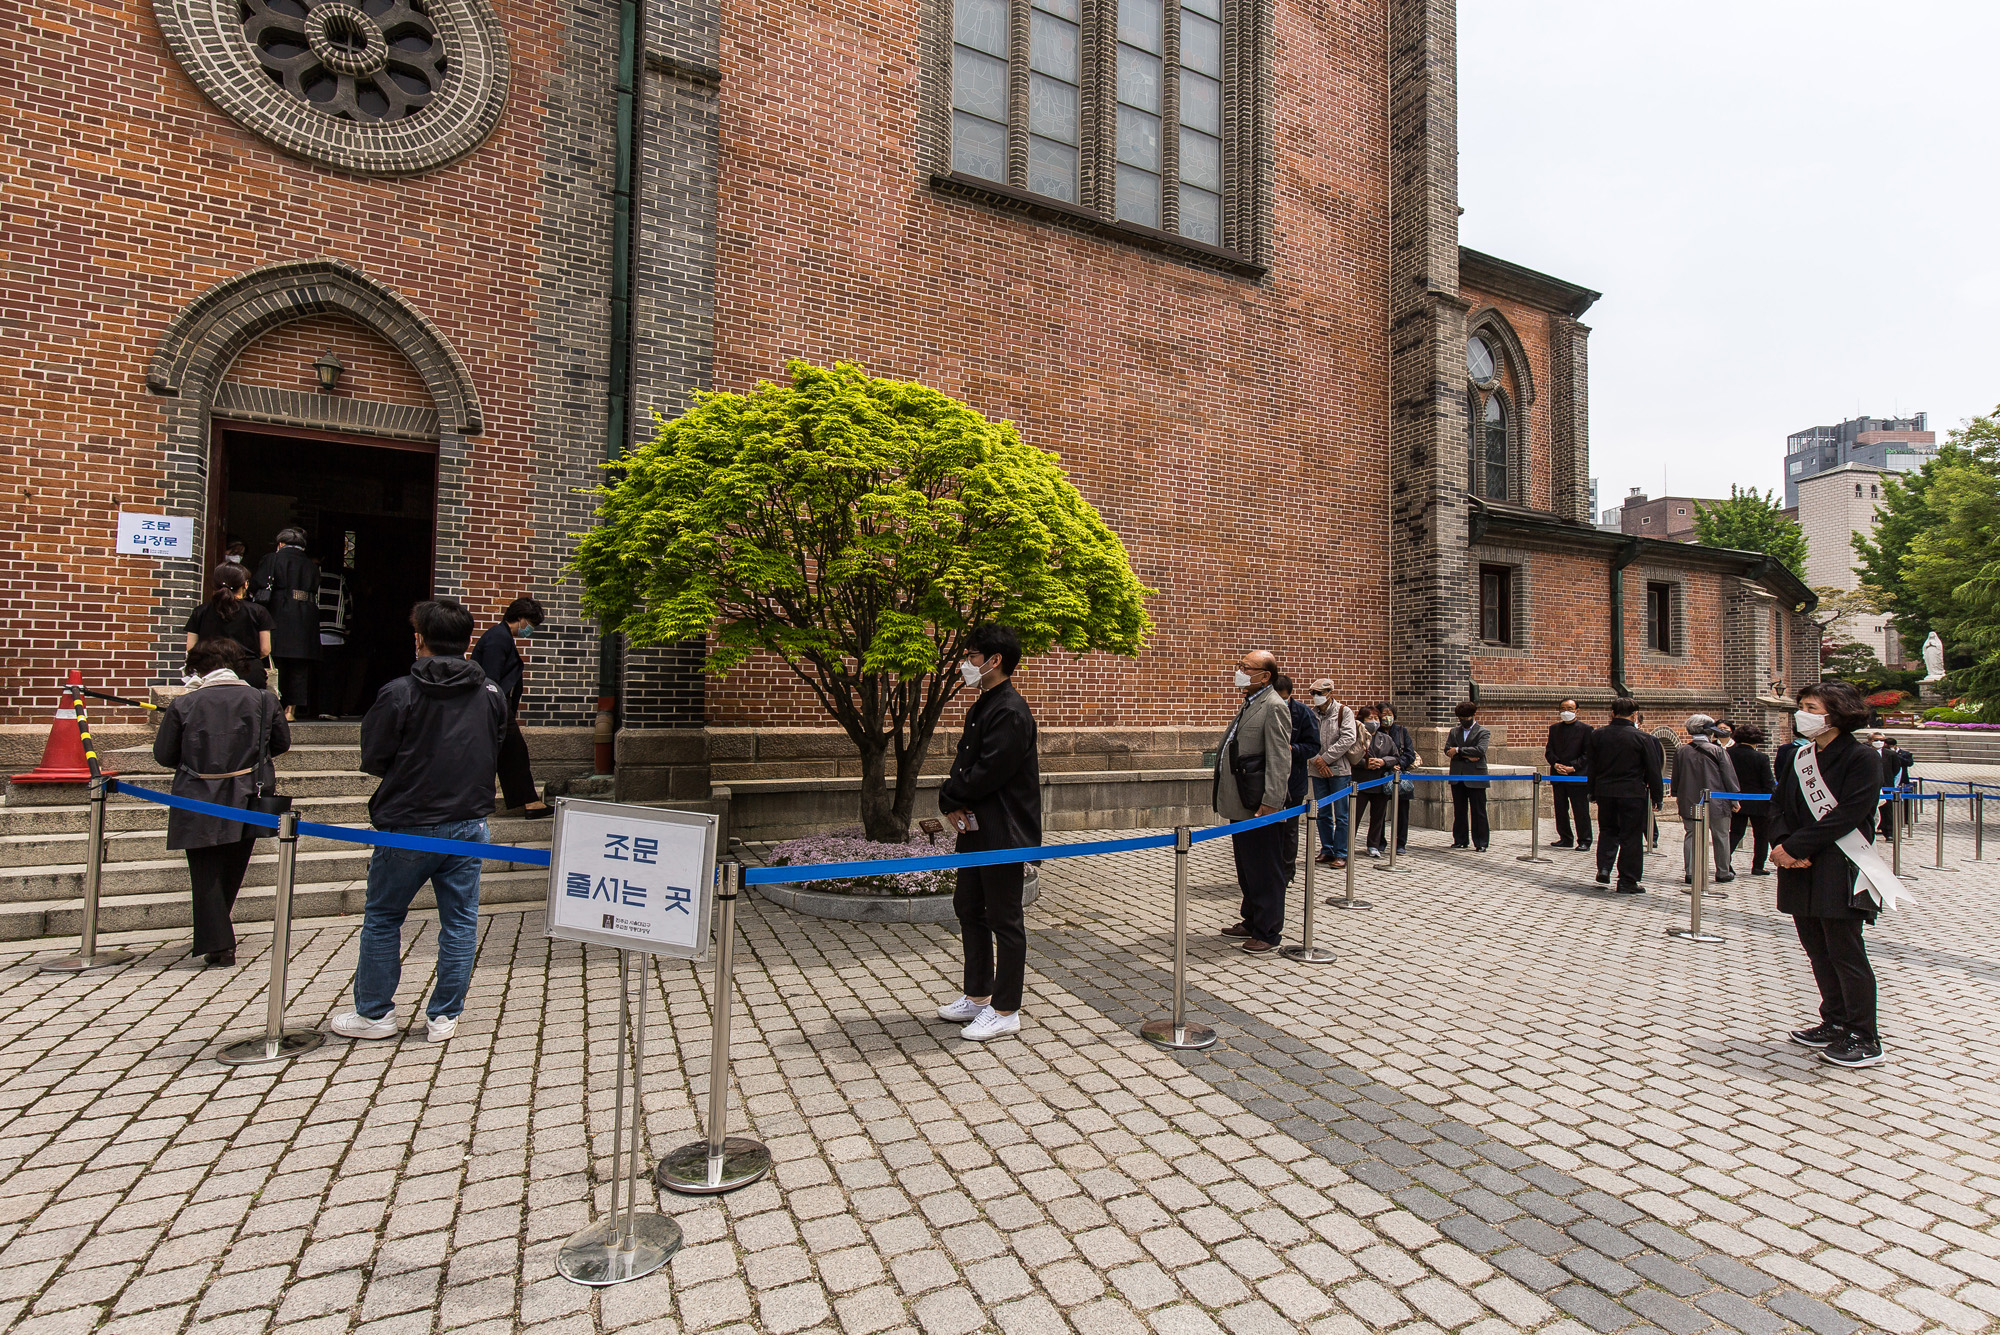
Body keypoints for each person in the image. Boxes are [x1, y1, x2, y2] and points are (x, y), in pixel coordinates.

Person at [331, 600, 509, 1044]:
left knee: (384, 917)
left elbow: (374, 756)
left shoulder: (400, 692)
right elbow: (497, 744)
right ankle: (445, 1016)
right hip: (469, 821)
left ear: (420, 639)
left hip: (408, 820)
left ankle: (375, 1014)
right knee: (461, 921)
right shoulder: (489, 693)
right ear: (466, 640)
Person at [153, 637, 290, 966]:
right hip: (248, 792)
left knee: (204, 870)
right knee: (232, 868)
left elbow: (164, 754)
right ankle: (218, 939)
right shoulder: (263, 699)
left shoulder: (184, 704)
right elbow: (281, 742)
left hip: (197, 795)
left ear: (201, 668)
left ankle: (219, 943)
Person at [1772, 682, 1888, 1068]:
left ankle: (1864, 1035)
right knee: (1816, 948)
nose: (1801, 713)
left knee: (1846, 951)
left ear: (1836, 713)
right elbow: (1779, 803)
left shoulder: (1862, 757)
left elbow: (1850, 814)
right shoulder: (1799, 756)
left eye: (1809, 707)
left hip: (1839, 865)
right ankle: (1834, 1020)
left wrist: (1797, 847)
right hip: (1799, 865)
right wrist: (1783, 843)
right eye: (1801, 706)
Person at [934, 625, 1042, 1042]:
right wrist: (954, 799)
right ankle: (978, 995)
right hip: (977, 827)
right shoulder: (985, 704)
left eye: (972, 655)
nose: (966, 663)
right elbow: (968, 767)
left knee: (1004, 918)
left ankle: (1005, 1009)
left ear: (994, 661)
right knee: (969, 907)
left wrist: (947, 797)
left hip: (1004, 831)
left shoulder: (1010, 710)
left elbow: (986, 772)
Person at [1211, 649, 1292, 952]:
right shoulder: (1250, 702)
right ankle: (1251, 918)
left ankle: (1268, 930)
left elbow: (1279, 758)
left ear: (1265, 676)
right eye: (1240, 665)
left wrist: (1271, 802)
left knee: (1264, 868)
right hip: (1240, 802)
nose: (1240, 671)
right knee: (1246, 866)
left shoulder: (1273, 706)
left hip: (1259, 805)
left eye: (1246, 667)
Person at [472, 597, 551, 818]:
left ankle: (529, 802)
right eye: (531, 623)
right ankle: (529, 802)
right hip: (495, 706)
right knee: (514, 753)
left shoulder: (500, 637)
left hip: (495, 706)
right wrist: (499, 710)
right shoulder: (499, 639)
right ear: (520, 618)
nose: (531, 629)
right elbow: (491, 679)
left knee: (510, 754)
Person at [1585, 697, 1664, 892]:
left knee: (1608, 831)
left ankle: (1604, 867)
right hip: (1632, 792)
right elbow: (1653, 770)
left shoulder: (1598, 735)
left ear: (1612, 713)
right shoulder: (1643, 738)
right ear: (1635, 715)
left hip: (1605, 790)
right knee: (1631, 837)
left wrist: (1592, 790)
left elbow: (1592, 766)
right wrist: (1657, 796)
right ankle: (1628, 879)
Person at [252, 527, 323, 721]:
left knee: (275, 663)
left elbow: (257, 584)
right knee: (299, 666)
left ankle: (273, 706)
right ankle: (290, 710)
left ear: (281, 544)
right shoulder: (311, 565)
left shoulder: (272, 559)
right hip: (306, 619)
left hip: (278, 616)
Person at [183, 562, 273, 691]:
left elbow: (191, 647)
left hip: (209, 672)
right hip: (248, 673)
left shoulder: (200, 611)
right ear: (245, 584)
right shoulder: (259, 611)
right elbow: (265, 649)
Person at [1673, 715, 1741, 884]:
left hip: (1689, 801)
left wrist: (1677, 795)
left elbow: (1676, 778)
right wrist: (1734, 799)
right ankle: (1723, 872)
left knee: (1691, 836)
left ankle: (1690, 872)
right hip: (1717, 801)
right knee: (1721, 836)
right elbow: (1729, 777)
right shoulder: (1718, 751)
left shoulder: (1681, 751)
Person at [1273, 675, 1319, 886]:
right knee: (1270, 829)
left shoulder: (1303, 713)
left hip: (1294, 780)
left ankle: (1287, 872)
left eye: (1283, 697)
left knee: (1290, 830)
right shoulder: (1268, 710)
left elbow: (1313, 746)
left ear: (1290, 695)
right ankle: (1270, 870)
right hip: (1269, 781)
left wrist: (1293, 750)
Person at [1306, 679, 1357, 868]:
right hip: (1317, 770)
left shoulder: (1344, 712)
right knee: (1323, 812)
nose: (1316, 697)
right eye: (1313, 693)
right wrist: (1316, 760)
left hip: (1340, 770)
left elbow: (1348, 738)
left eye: (1320, 693)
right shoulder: (1311, 714)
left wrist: (1325, 758)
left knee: (1342, 814)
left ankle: (1341, 852)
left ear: (1330, 693)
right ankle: (1327, 849)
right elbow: (1306, 739)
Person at [1725, 723, 1776, 876]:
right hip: (1759, 801)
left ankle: (1725, 861)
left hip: (1735, 798)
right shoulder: (1761, 757)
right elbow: (1768, 782)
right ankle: (1758, 866)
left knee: (1735, 832)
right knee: (1761, 835)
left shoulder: (1728, 754)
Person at [1544, 698, 1592, 850]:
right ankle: (1565, 837)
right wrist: (1556, 764)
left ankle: (1584, 839)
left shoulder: (1586, 730)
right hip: (1558, 776)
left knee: (1580, 810)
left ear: (1577, 711)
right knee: (1560, 809)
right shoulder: (1555, 729)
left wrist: (1573, 767)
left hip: (1577, 777)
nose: (1566, 712)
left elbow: (1589, 753)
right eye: (1563, 708)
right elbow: (1549, 751)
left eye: (1570, 709)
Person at [1444, 700, 1491, 852]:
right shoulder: (1454, 732)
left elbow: (1480, 750)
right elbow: (1447, 750)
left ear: (1473, 715)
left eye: (1466, 717)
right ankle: (1460, 839)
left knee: (1478, 810)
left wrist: (1458, 751)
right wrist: (1465, 754)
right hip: (1458, 775)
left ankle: (1481, 842)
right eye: (1461, 718)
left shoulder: (1483, 732)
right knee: (1459, 809)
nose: (1463, 721)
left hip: (1476, 776)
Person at [1375, 702, 1416, 855]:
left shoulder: (1400, 731)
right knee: (1379, 811)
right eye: (1384, 714)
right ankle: (1379, 841)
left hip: (1400, 775)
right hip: (1381, 774)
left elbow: (1409, 753)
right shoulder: (1375, 732)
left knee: (1402, 812)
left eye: (1390, 714)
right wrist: (1387, 764)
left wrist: (1399, 763)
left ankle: (1400, 843)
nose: (1387, 718)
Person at [1872, 732, 1915, 840]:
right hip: (1870, 786)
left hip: (1887, 785)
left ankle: (1889, 832)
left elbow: (1896, 769)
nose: (1879, 742)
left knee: (1888, 810)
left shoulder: (1890, 754)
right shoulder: (1864, 752)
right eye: (1876, 740)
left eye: (1882, 740)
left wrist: (1891, 783)